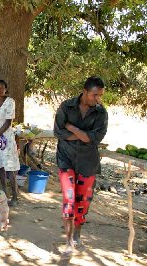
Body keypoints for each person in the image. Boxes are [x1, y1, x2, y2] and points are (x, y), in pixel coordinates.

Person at [54, 76, 108, 256]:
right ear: (85, 92)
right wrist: (83, 135)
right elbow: (58, 132)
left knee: (83, 203)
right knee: (69, 199)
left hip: (88, 163)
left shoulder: (101, 113)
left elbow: (94, 139)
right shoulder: (66, 106)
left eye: (100, 95)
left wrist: (73, 128)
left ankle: (77, 233)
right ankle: (69, 241)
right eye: (95, 95)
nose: (98, 99)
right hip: (66, 159)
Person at [0, 80, 20, 206]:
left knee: (10, 167)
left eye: (1, 88)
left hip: (5, 138)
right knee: (0, 166)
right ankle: (4, 192)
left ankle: (15, 196)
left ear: (6, 89)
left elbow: (8, 122)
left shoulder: (10, 102)